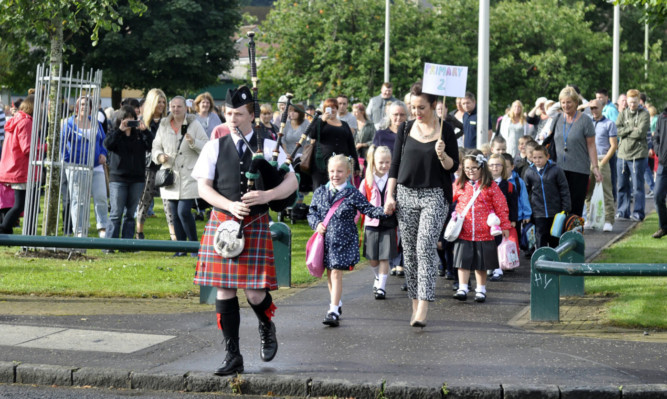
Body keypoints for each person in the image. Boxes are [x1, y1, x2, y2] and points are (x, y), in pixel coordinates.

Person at [192, 86, 298, 376]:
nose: (232, 119)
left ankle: (266, 324)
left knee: (254, 294)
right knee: (224, 291)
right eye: (228, 114)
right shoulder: (215, 145)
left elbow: (291, 182)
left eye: (238, 114)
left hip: (254, 223)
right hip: (224, 224)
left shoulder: (269, 144)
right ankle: (233, 355)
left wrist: (267, 196)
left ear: (252, 115)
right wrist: (228, 204)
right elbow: (203, 188)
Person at [384, 80, 460, 327]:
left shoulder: (445, 130)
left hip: (435, 196)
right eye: (413, 107)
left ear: (434, 105)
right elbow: (395, 165)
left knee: (425, 246)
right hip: (406, 195)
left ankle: (425, 305)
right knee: (410, 251)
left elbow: (453, 166)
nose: (416, 112)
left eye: (421, 108)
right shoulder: (405, 129)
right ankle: (415, 302)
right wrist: (390, 195)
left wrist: (442, 154)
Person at [308, 154, 389, 327]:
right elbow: (312, 212)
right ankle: (336, 303)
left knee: (336, 272)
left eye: (339, 171)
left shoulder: (352, 193)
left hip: (344, 241)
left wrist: (387, 211)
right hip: (325, 242)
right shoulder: (320, 192)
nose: (335, 174)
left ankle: (333, 310)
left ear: (347, 173)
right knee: (330, 273)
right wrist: (317, 224)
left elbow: (369, 209)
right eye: (332, 171)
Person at [151, 96, 208, 255]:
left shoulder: (194, 124)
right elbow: (155, 146)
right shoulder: (163, 125)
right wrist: (160, 156)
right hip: (170, 175)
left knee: (184, 211)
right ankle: (180, 249)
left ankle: (194, 246)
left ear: (185, 108)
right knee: (174, 214)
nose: (175, 109)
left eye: (179, 107)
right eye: (173, 106)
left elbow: (206, 146)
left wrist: (193, 141)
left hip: (189, 175)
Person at [451, 154, 511, 302]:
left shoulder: (491, 185)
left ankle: (481, 289)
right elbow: (448, 198)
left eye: (474, 168)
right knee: (462, 262)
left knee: (481, 264)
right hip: (464, 230)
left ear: (481, 168)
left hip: (484, 232)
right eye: (467, 168)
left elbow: (501, 205)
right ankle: (463, 288)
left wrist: (504, 225)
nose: (470, 171)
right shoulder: (459, 184)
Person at [60, 96, 108, 237]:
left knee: (101, 197)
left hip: (96, 166)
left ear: (91, 108)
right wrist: (69, 160)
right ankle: (79, 230)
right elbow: (62, 146)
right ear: (76, 107)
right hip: (76, 167)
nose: (84, 107)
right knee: (78, 199)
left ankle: (102, 227)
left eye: (87, 105)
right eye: (81, 104)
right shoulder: (68, 124)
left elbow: (103, 142)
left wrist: (103, 154)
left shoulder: (96, 124)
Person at [103, 105, 151, 242]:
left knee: (130, 213)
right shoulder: (115, 133)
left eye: (132, 119)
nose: (129, 121)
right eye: (126, 118)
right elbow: (108, 144)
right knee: (116, 213)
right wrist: (120, 131)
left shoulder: (140, 135)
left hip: (137, 179)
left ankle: (127, 243)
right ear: (120, 119)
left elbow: (151, 145)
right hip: (118, 178)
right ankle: (110, 244)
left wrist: (145, 131)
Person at [551, 86, 602, 216]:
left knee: (575, 206)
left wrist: (595, 167)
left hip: (579, 170)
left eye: (569, 102)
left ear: (576, 103)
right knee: (559, 206)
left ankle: (574, 234)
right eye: (563, 102)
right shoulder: (557, 119)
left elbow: (591, 146)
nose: (566, 105)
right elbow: (548, 140)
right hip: (558, 169)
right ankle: (560, 235)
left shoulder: (585, 121)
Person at [359, 146, 397, 300]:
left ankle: (381, 287)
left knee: (384, 257)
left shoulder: (393, 181)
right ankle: (377, 276)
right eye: (381, 162)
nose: (384, 165)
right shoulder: (367, 181)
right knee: (372, 258)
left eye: (388, 162)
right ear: (373, 162)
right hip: (371, 223)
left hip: (389, 222)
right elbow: (359, 202)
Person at [0, 95, 42, 234]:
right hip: (21, 169)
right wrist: (46, 147)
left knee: (22, 205)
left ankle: (6, 231)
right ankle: (4, 229)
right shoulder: (26, 122)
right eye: (40, 106)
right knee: (20, 206)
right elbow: (27, 148)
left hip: (14, 167)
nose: (42, 109)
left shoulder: (17, 119)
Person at [136, 88, 169, 240]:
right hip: (149, 165)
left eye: (163, 102)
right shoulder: (143, 122)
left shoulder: (168, 121)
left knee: (169, 202)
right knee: (145, 199)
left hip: (166, 164)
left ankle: (174, 235)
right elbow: (150, 144)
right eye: (158, 102)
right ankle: (139, 232)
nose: (161, 105)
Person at [524, 145, 571, 248]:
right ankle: (542, 260)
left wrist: (565, 208)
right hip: (538, 213)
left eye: (540, 157)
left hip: (555, 211)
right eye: (534, 157)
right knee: (541, 237)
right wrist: (527, 212)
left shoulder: (556, 170)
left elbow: (564, 189)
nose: (537, 160)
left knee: (555, 238)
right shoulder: (529, 172)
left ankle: (556, 260)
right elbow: (526, 193)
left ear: (547, 157)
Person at [306, 98, 359, 190]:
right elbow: (312, 134)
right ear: (324, 109)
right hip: (322, 164)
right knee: (321, 190)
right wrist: (322, 120)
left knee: (340, 189)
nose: (332, 110)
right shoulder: (319, 121)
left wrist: (356, 165)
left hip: (341, 164)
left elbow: (351, 145)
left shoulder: (344, 124)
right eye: (329, 107)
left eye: (334, 107)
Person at [615, 89, 650, 222]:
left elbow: (640, 133)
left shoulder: (644, 114)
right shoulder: (623, 113)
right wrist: (630, 129)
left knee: (637, 187)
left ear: (638, 101)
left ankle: (638, 213)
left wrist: (625, 131)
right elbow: (617, 130)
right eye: (629, 102)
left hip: (638, 155)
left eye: (634, 102)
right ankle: (622, 211)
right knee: (622, 185)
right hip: (622, 155)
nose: (632, 105)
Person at [583, 99, 617, 232]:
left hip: (602, 159)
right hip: (587, 161)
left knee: (607, 191)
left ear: (602, 107)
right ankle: (590, 219)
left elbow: (614, 145)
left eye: (596, 108)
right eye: (591, 108)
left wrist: (603, 161)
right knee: (588, 193)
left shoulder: (609, 123)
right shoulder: (587, 123)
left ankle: (609, 220)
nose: (593, 110)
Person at [487, 153, 518, 282]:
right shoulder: (485, 184)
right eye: (492, 165)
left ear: (503, 167)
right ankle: (489, 265)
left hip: (502, 221)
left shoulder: (509, 186)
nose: (495, 168)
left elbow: (513, 204)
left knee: (499, 243)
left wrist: (513, 220)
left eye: (498, 165)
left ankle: (498, 268)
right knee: (488, 243)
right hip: (487, 220)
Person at [652, 106, 667, 238]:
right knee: (657, 196)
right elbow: (655, 138)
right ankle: (664, 227)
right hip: (663, 164)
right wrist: (658, 151)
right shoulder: (662, 117)